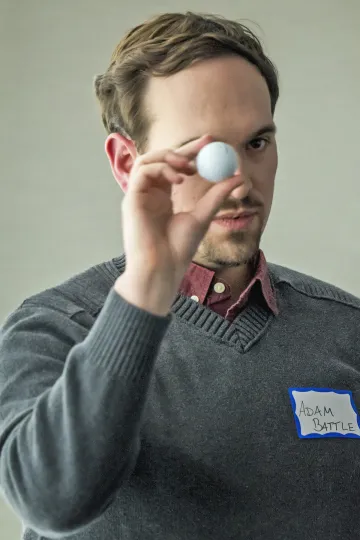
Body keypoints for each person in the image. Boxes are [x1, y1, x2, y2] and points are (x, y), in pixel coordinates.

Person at [1, 10, 360, 540]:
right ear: (128, 163)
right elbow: (52, 503)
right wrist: (149, 286)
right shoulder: (55, 326)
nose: (239, 183)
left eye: (257, 143)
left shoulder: (346, 330)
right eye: (206, 154)